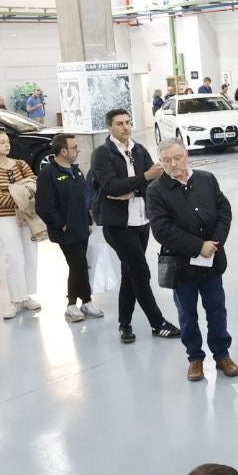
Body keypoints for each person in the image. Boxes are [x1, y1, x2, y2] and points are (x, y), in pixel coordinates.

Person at [148, 140, 236, 383]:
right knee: (187, 314)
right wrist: (198, 246)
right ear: (161, 162)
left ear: (186, 155)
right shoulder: (156, 191)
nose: (173, 164)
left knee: (217, 309)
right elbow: (162, 230)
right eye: (167, 160)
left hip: (212, 262)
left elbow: (224, 210)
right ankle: (195, 358)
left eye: (177, 158)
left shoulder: (206, 179)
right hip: (181, 266)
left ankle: (222, 355)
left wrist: (214, 243)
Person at [91, 109, 176, 344]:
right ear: (109, 127)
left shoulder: (139, 150)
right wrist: (143, 179)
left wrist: (135, 188)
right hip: (117, 225)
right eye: (119, 124)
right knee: (140, 272)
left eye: (128, 122)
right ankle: (157, 323)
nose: (125, 127)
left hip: (141, 221)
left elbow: (155, 182)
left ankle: (124, 324)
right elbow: (111, 186)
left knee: (129, 273)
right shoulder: (102, 154)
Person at [36, 133, 102, 324]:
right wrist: (61, 223)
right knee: (78, 264)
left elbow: (82, 199)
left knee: (77, 266)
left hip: (81, 227)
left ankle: (74, 305)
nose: (78, 150)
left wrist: (88, 221)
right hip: (65, 232)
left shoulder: (76, 171)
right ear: (63, 151)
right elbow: (43, 206)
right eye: (74, 147)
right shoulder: (48, 173)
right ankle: (85, 301)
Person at [0, 129, 42, 321]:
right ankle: (16, 299)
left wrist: (17, 191)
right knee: (14, 258)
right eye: (2, 142)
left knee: (31, 255)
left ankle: (26, 296)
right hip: (5, 217)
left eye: (7, 142)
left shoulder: (21, 164)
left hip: (28, 215)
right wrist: (22, 192)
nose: (7, 145)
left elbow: (34, 185)